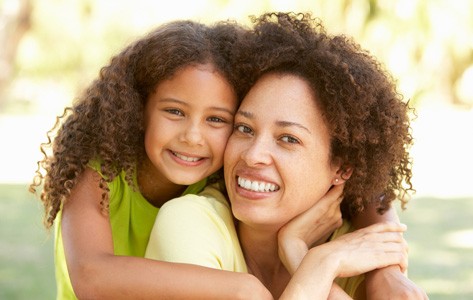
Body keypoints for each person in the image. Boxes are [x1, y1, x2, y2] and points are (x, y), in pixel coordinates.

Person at [30, 14, 422, 300]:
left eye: (219, 120)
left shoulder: (212, 170)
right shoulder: (109, 175)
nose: (193, 137)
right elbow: (92, 276)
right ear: (138, 110)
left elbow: (370, 187)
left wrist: (384, 269)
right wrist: (249, 287)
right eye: (246, 129)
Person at [146, 12, 428, 299]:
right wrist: (318, 265)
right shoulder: (188, 223)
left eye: (288, 139)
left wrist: (297, 253)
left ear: (342, 168)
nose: (254, 155)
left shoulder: (361, 252)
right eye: (244, 128)